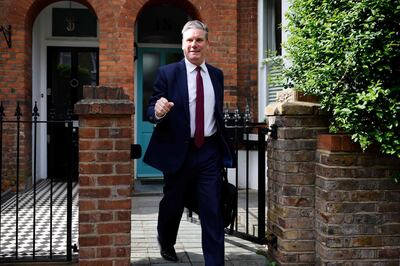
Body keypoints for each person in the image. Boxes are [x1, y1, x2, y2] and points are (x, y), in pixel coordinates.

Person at [143, 20, 234, 265]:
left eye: (199, 40)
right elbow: (151, 108)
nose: (194, 44)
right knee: (173, 203)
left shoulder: (216, 75)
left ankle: (215, 262)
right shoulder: (168, 73)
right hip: (178, 152)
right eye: (189, 40)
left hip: (209, 152)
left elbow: (214, 112)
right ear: (182, 44)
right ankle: (166, 240)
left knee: (212, 209)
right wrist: (159, 111)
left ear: (207, 43)